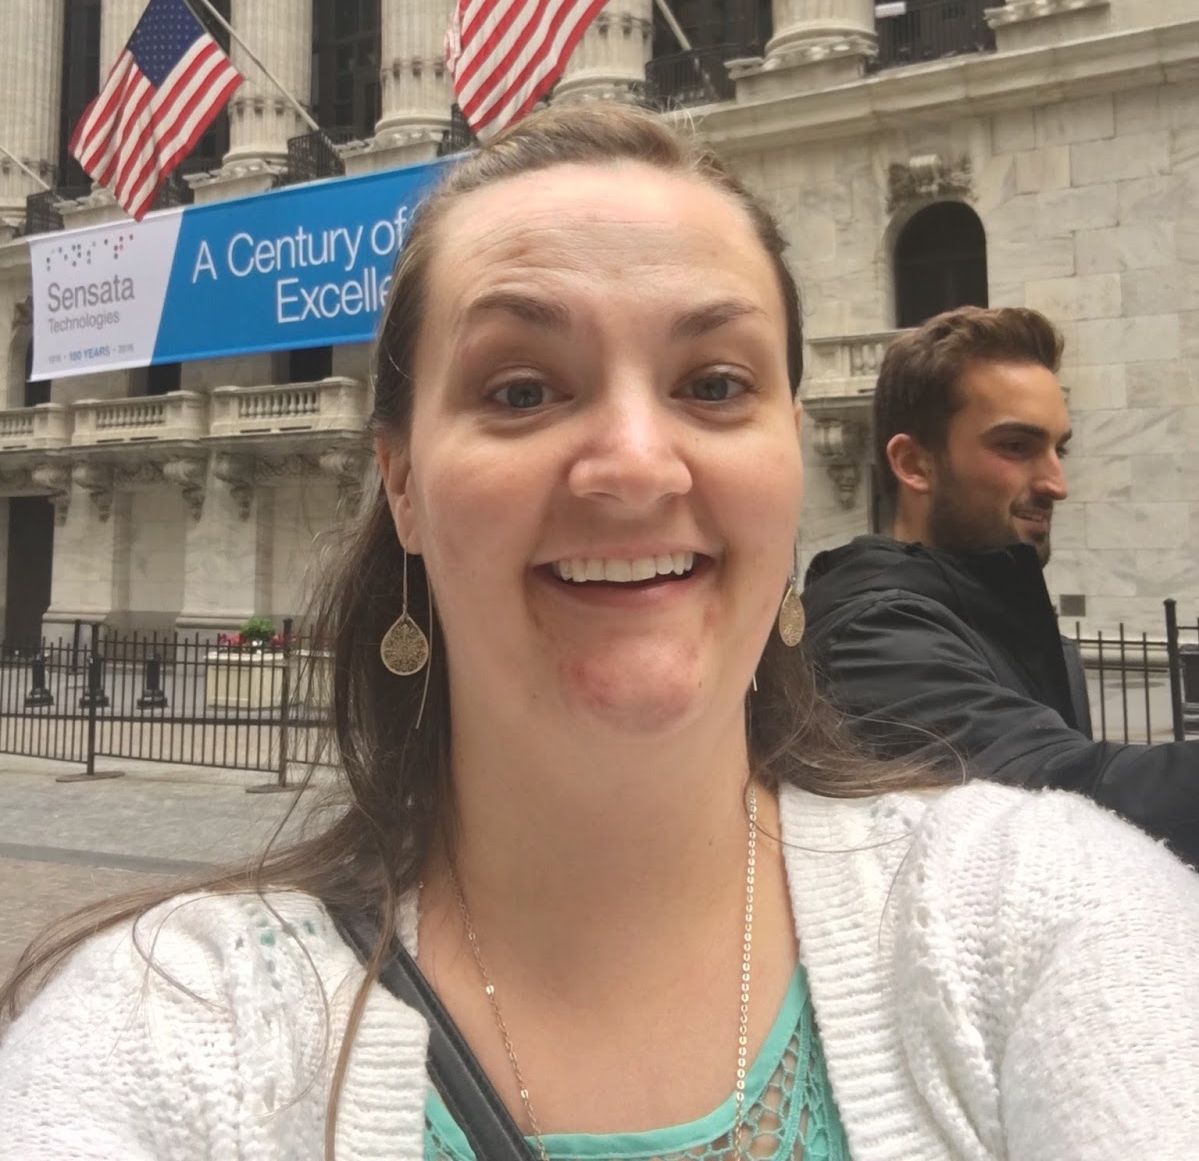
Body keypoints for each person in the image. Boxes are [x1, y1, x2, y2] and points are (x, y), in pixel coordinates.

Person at [1, 109, 1197, 1161]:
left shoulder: (1049, 916)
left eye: (713, 384)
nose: (633, 464)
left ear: (790, 455)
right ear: (402, 480)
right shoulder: (164, 1021)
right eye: (520, 389)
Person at [803, 305, 1199, 867]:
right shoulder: (870, 635)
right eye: (1016, 446)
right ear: (914, 464)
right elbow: (1071, 801)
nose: (1057, 483)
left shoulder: (1014, 627)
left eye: (1059, 449)